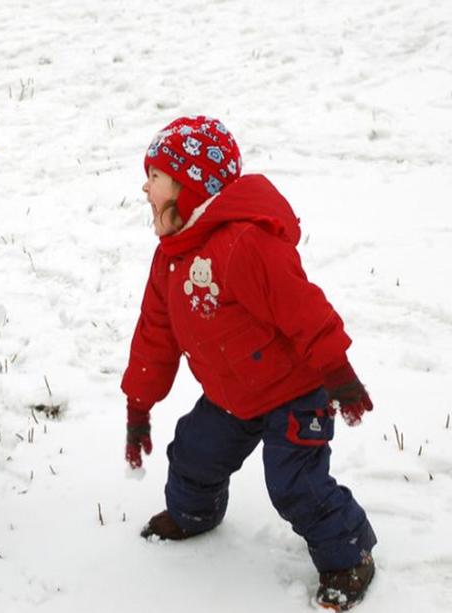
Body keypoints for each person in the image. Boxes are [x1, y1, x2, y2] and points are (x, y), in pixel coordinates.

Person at [122, 116, 376, 610]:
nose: (144, 187)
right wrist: (139, 406)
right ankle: (194, 515)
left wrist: (339, 376)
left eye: (154, 176)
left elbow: (304, 310)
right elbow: (155, 334)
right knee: (193, 454)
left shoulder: (244, 244)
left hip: (295, 391)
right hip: (232, 394)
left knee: (294, 483)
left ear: (190, 187)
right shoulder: (171, 258)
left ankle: (350, 555)